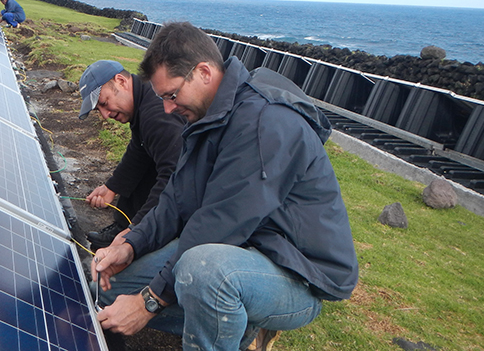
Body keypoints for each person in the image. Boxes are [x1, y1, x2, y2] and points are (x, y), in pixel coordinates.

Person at [91, 22, 359, 351]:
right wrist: (130, 244)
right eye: (162, 98)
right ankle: (237, 327)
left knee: (202, 271)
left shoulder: (265, 123)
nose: (167, 109)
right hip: (239, 247)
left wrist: (149, 301)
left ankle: (229, 326)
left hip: (297, 272)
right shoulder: (205, 118)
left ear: (204, 72)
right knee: (104, 287)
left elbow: (218, 225)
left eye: (172, 95)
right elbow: (176, 199)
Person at [78, 59, 185, 248]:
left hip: (201, 198)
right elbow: (139, 150)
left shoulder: (157, 116)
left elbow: (175, 177)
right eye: (98, 110)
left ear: (121, 81)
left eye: (104, 102)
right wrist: (112, 187)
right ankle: (122, 225)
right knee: (144, 162)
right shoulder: (142, 101)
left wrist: (135, 231)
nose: (105, 115)